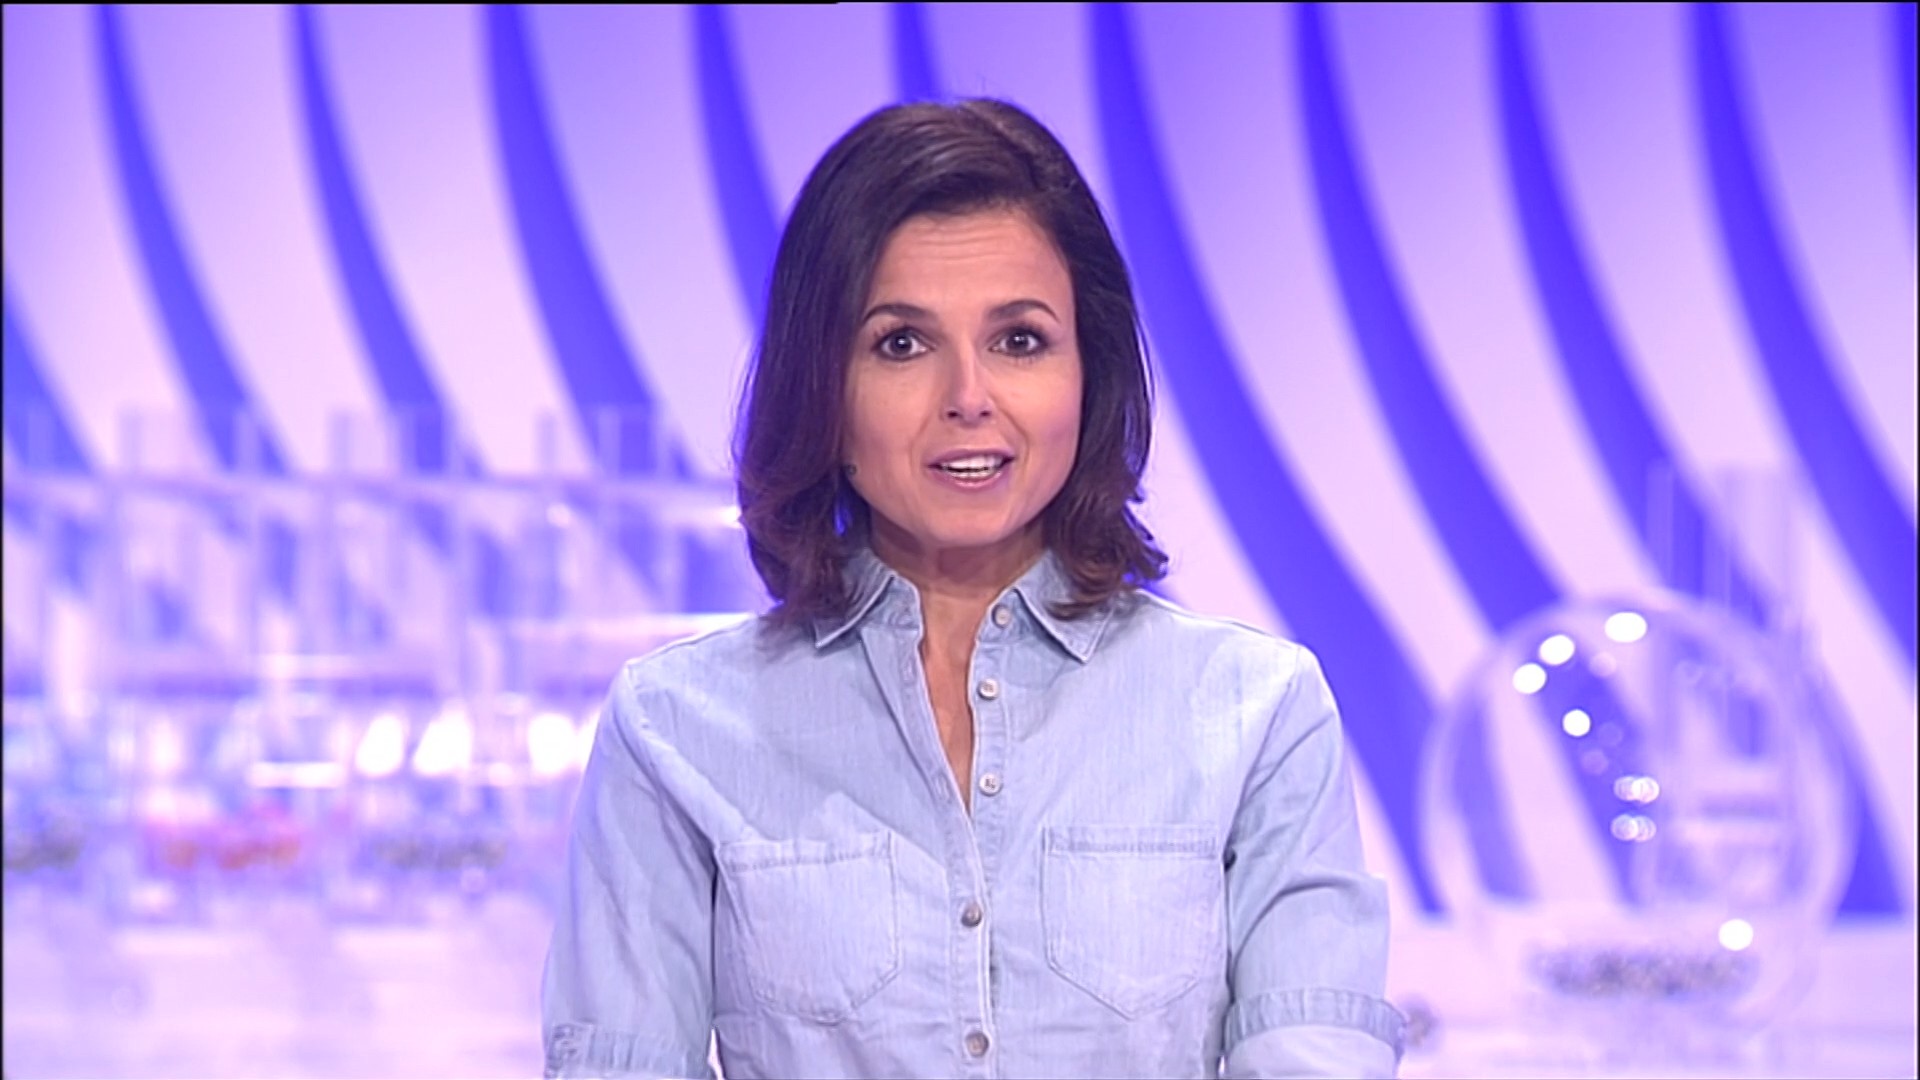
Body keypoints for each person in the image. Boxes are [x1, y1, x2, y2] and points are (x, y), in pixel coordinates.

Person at [541, 98, 1403, 1079]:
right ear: (821, 385)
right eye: (901, 344)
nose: (968, 398)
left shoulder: (1255, 712)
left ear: (1090, 373)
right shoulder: (676, 728)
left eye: (1019, 340)